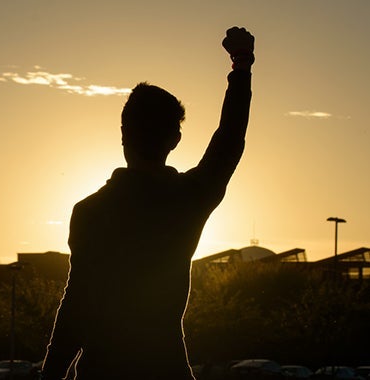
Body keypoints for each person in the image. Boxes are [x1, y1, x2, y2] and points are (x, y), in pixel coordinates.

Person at [41, 27, 255, 380]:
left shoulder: (91, 211)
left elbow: (77, 306)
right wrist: (241, 67)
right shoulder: (189, 198)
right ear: (176, 138)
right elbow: (230, 138)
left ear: (123, 133)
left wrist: (50, 375)